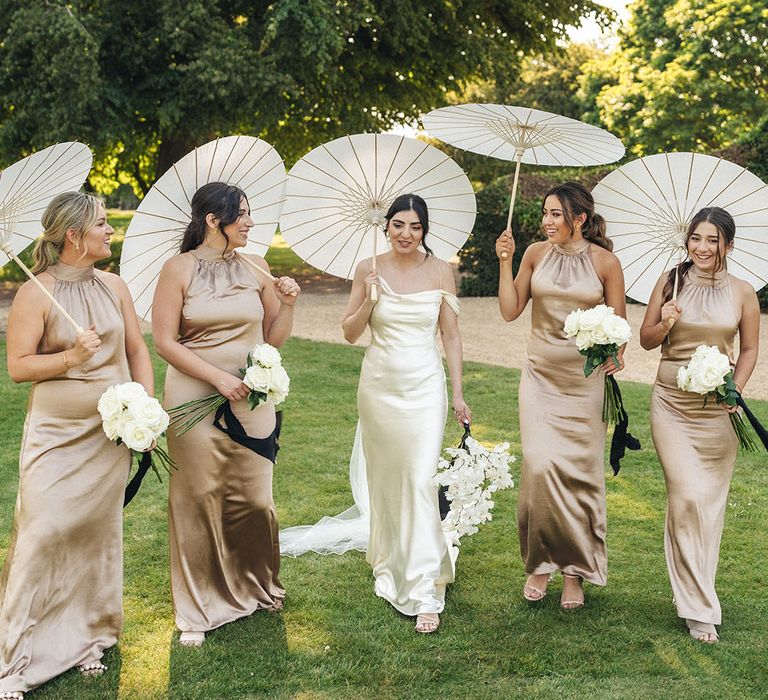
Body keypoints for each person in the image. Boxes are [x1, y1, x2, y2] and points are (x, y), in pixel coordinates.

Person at [0, 192, 153, 698]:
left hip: (109, 432)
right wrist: (71, 357)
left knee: (94, 535)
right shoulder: (34, 293)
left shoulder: (114, 285)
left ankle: (87, 637)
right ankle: (13, 658)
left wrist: (145, 408)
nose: (110, 231)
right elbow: (19, 367)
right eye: (102, 225)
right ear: (74, 236)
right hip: (57, 435)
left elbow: (136, 349)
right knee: (42, 534)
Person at [152, 182, 300, 647]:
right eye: (243, 214)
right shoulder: (177, 269)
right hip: (194, 397)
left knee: (255, 498)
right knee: (198, 500)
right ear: (213, 221)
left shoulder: (256, 267)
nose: (251, 222)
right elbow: (165, 342)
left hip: (252, 397)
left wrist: (289, 303)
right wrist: (217, 378)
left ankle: (256, 584)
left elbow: (272, 339)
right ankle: (197, 608)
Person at [339, 193, 471, 634]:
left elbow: (450, 336)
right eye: (398, 225)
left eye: (415, 227)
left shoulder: (441, 272)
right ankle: (391, 558)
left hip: (425, 386)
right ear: (386, 226)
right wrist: (369, 301)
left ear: (425, 230)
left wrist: (458, 392)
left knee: (419, 478)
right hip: (379, 387)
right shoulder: (367, 270)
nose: (406, 234)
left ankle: (424, 586)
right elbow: (350, 333)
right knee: (389, 480)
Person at [495, 181, 627, 609]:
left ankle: (575, 572)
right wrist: (506, 261)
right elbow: (510, 310)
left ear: (580, 219)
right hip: (540, 377)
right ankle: (540, 563)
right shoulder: (534, 253)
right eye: (546, 214)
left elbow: (620, 328)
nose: (548, 221)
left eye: (556, 214)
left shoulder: (606, 263)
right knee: (538, 465)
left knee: (579, 473)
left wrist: (615, 356)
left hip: (583, 384)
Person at [640, 206, 759, 643]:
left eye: (712, 240)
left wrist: (737, 389)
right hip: (672, 404)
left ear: (728, 244)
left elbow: (748, 350)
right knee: (687, 495)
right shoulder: (670, 281)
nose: (702, 248)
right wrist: (667, 319)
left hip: (717, 411)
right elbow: (646, 339)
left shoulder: (744, 292)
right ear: (686, 240)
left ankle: (694, 591)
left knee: (708, 507)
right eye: (696, 239)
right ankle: (699, 609)